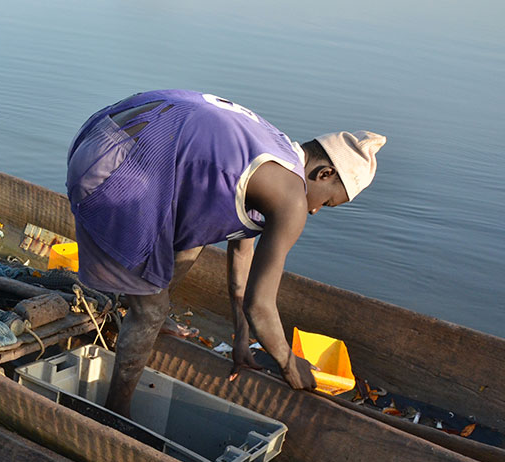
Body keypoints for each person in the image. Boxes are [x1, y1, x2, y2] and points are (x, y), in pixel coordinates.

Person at [65, 90, 386, 416]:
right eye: (328, 202)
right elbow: (260, 305)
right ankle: (115, 411)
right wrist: (289, 364)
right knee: (150, 311)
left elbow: (241, 262)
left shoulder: (276, 154)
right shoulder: (292, 200)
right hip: (116, 169)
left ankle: (146, 306)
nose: (316, 211)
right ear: (325, 174)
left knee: (196, 236)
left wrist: (241, 337)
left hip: (105, 133)